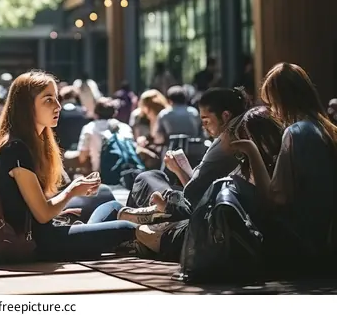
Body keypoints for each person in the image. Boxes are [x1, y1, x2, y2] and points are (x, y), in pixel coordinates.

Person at [0, 70, 142, 262]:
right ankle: (158, 233)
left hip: (48, 231)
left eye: (57, 98)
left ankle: (94, 240)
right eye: (48, 100)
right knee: (125, 228)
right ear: (27, 106)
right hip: (37, 242)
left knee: (111, 205)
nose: (58, 106)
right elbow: (42, 215)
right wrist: (72, 191)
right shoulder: (15, 150)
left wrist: (73, 194)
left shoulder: (31, 143)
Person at [118, 106, 284, 261]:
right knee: (152, 177)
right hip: (202, 217)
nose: (204, 128)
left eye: (206, 121)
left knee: (139, 198)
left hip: (210, 227)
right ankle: (160, 212)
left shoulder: (264, 162)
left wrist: (250, 151)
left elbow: (265, 200)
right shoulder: (243, 161)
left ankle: (160, 213)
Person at [229, 63, 337, 270]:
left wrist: (251, 151)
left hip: (300, 239)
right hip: (325, 237)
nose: (273, 112)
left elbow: (274, 198)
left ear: (284, 100)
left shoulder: (295, 133)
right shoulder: (326, 130)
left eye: (273, 103)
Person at [122, 86, 250, 220]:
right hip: (200, 200)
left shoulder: (226, 143)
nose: (204, 127)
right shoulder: (232, 136)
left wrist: (178, 169)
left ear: (225, 116)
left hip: (195, 210)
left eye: (206, 121)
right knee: (156, 175)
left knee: (145, 178)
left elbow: (193, 195)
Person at [76, 97, 134, 173]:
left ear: (96, 113)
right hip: (126, 172)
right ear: (115, 113)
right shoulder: (125, 127)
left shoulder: (89, 128)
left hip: (101, 174)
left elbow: (82, 156)